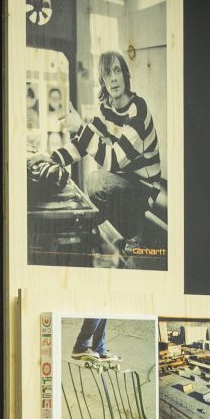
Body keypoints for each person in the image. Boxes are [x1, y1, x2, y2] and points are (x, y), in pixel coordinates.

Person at [51, 50, 162, 262]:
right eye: (107, 74)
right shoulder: (106, 109)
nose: (113, 78)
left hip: (145, 188)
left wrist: (81, 128)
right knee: (93, 189)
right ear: (102, 81)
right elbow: (81, 146)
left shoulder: (138, 110)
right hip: (124, 181)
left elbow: (113, 160)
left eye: (117, 71)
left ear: (125, 75)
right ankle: (110, 239)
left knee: (96, 180)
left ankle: (132, 238)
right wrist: (51, 160)